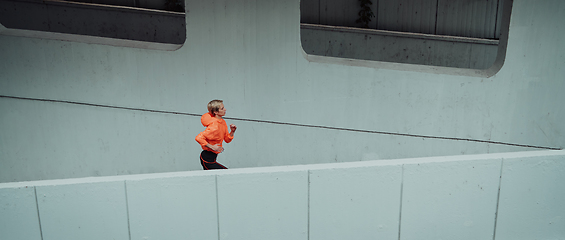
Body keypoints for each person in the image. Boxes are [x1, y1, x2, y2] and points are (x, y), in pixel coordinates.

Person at [195, 100, 237, 170]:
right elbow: (198, 138)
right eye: (222, 108)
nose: (225, 109)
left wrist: (232, 131)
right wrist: (212, 147)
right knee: (226, 173)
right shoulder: (214, 126)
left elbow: (227, 139)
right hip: (207, 158)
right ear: (216, 112)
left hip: (212, 158)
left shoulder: (222, 122)